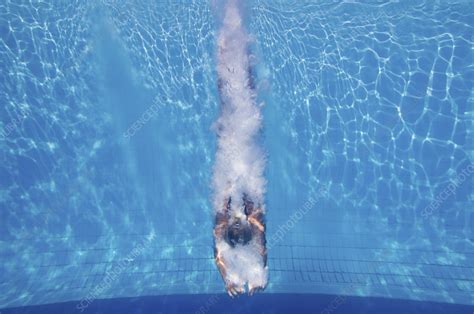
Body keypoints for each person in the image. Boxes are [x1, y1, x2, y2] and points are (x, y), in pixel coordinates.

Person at [214, 194, 267, 296]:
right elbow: (263, 251)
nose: (237, 227)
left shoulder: (222, 223)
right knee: (252, 204)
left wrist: (227, 280)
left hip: (228, 210)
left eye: (234, 231)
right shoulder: (255, 224)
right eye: (240, 231)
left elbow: (218, 257)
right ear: (247, 231)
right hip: (250, 210)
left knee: (224, 205)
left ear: (228, 231)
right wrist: (259, 278)